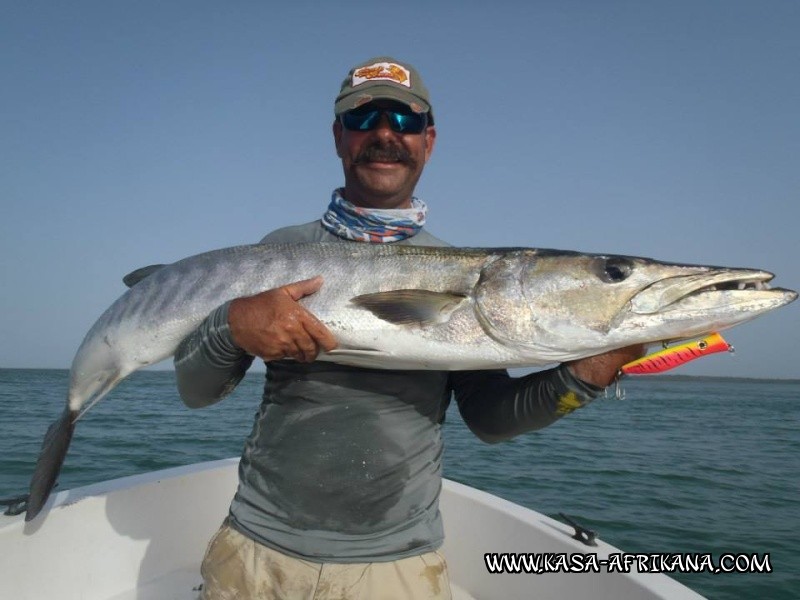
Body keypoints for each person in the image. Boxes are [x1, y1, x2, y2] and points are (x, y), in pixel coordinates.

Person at [174, 56, 644, 600]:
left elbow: (491, 418)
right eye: (363, 118)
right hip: (257, 550)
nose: (383, 135)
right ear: (337, 137)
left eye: (404, 122)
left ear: (429, 141)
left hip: (395, 567)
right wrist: (232, 325)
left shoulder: (466, 273)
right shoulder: (280, 253)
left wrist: (590, 372)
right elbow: (196, 391)